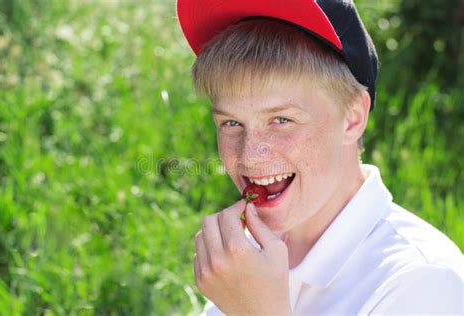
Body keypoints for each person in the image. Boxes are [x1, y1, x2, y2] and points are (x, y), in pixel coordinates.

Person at [176, 0, 464, 314]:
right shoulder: (249, 256)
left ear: (352, 118)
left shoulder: (422, 282)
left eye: (281, 120)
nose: (250, 156)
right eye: (232, 123)